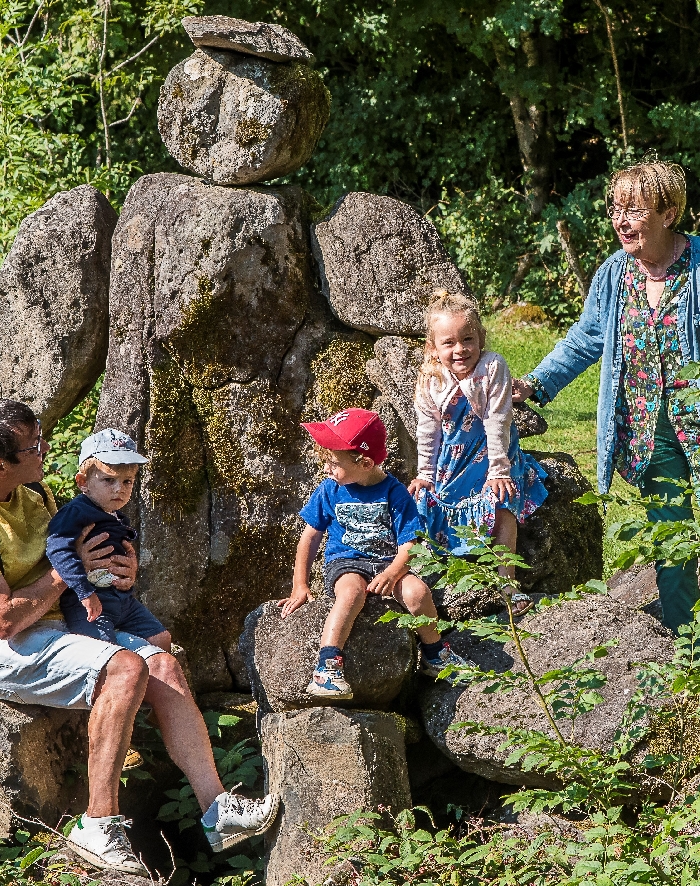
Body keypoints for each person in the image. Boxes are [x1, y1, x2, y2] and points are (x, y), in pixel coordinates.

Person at [0, 400, 278, 877]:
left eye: (41, 438)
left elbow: (82, 554)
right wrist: (73, 575)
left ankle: (218, 810)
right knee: (125, 668)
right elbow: (1, 621)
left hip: (55, 621)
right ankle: (97, 823)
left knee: (164, 665)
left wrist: (117, 573)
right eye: (34, 447)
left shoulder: (31, 492)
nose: (45, 450)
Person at [512, 159, 700, 633]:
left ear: (669, 212)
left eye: (634, 210)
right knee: (671, 542)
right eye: (616, 209)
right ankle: (688, 654)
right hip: (648, 436)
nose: (621, 220)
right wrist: (535, 383)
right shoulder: (615, 274)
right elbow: (585, 339)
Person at [277, 407, 471, 696]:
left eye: (333, 463)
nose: (327, 470)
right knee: (351, 593)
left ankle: (434, 653)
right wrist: (300, 585)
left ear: (365, 463)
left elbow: (411, 543)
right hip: (346, 562)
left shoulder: (394, 493)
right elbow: (310, 537)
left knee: (417, 593)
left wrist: (394, 571)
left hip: (388, 563)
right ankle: (327, 667)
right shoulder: (329, 490)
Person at [408, 291, 548, 614]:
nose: (460, 350)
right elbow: (427, 430)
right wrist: (425, 474)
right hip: (453, 462)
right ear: (433, 347)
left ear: (481, 337)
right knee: (430, 506)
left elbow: (498, 419)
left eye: (468, 339)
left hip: (492, 454)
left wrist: (499, 470)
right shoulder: (430, 379)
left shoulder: (492, 367)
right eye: (449, 343)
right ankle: (437, 581)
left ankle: (507, 586)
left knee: (503, 504)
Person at [46, 428, 168, 650]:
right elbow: (57, 549)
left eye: (127, 481)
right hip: (88, 601)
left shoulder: (115, 516)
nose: (119, 489)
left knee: (161, 638)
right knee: (105, 653)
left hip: (121, 600)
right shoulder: (75, 512)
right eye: (108, 480)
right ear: (83, 482)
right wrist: (84, 592)